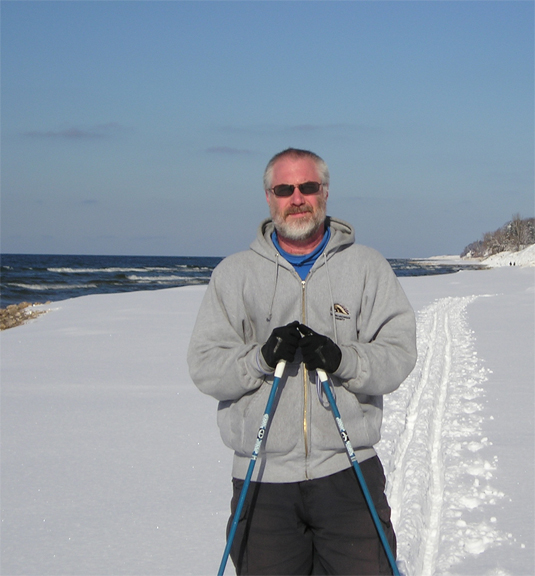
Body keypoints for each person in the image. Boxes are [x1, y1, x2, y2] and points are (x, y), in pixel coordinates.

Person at [187, 148, 417, 575]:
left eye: (308, 187)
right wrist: (258, 359)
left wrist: (342, 359)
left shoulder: (367, 267)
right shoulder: (234, 275)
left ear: (325, 193)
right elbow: (205, 366)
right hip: (263, 479)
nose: (297, 198)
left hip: (347, 472)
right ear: (269, 197)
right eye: (285, 189)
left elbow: (399, 354)